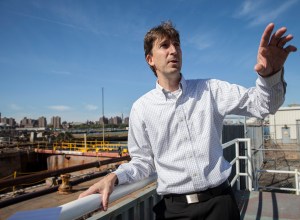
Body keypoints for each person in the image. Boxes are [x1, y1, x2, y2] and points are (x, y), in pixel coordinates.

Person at [79, 21, 297, 219]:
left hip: (221, 205)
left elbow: (263, 105)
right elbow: (142, 162)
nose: (173, 50)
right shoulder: (141, 108)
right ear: (150, 59)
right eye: (164, 45)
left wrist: (271, 75)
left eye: (177, 44)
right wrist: (114, 177)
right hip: (175, 212)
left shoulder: (211, 90)